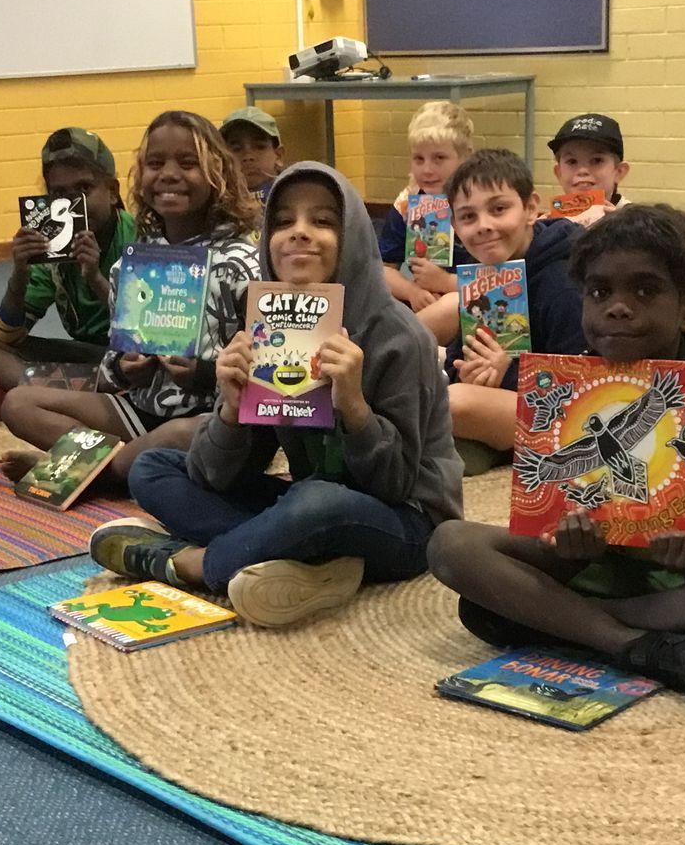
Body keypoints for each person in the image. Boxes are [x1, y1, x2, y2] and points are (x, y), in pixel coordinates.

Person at [428, 204, 685, 706]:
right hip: (581, 566)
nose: (618, 308)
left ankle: (561, 621)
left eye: (646, 291)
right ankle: (639, 646)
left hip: (678, 582)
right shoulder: (563, 391)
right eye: (599, 292)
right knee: (451, 543)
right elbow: (547, 498)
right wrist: (562, 540)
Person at [88, 162, 461, 628]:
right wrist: (230, 408)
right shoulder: (268, 326)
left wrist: (355, 407)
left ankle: (197, 564)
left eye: (323, 221)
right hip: (311, 501)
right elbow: (216, 476)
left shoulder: (400, 337)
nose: (299, 233)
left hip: (406, 523)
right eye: (283, 221)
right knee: (152, 467)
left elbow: (397, 485)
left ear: (355, 237)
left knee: (317, 503)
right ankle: (304, 559)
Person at [0, 111, 261, 494]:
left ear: (218, 174)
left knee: (185, 433)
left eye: (188, 163)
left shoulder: (243, 263)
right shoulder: (135, 263)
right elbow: (108, 374)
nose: (168, 174)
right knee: (17, 403)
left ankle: (90, 471)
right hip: (138, 412)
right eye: (155, 163)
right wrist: (125, 367)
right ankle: (122, 465)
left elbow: (267, 377)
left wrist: (202, 373)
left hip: (210, 420)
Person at [0, 128, 136, 411]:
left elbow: (146, 337)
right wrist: (20, 273)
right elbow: (9, 336)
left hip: (132, 363)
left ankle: (55, 396)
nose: (76, 205)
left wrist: (96, 279)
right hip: (88, 362)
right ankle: (76, 397)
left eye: (84, 189)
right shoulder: (53, 243)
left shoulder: (139, 239)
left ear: (112, 192)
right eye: (59, 193)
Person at [438, 148, 587, 459]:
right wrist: (466, 371)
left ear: (531, 208)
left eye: (499, 209)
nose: (483, 225)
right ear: (454, 225)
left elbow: (581, 382)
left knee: (453, 403)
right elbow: (459, 351)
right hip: (512, 398)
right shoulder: (487, 276)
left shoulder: (563, 283)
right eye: (468, 216)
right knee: (430, 366)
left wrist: (507, 371)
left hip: (569, 415)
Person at [378, 100, 477, 313]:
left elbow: (507, 280)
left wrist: (447, 282)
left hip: (478, 305)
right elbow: (383, 269)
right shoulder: (407, 203)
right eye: (418, 159)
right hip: (424, 305)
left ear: (465, 156)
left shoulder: (483, 203)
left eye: (439, 158)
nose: (427, 169)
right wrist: (410, 290)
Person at [545, 112, 629, 228]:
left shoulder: (639, 226)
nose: (582, 171)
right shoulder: (547, 226)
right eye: (572, 161)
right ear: (558, 172)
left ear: (619, 171)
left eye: (596, 160)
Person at [221, 106, 284, 198]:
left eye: (260, 147)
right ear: (224, 158)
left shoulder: (293, 194)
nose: (248, 156)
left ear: (278, 155)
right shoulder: (217, 201)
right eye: (237, 149)